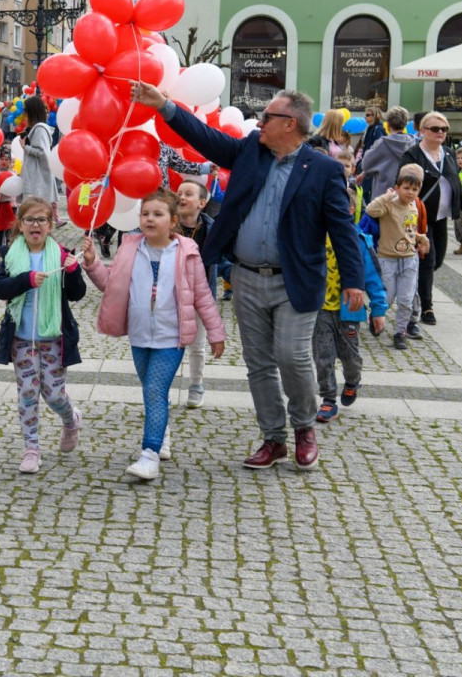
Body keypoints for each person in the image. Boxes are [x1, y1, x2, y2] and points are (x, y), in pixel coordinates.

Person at [130, 81, 364, 471]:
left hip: (296, 280)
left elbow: (341, 227)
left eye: (268, 117)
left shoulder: (322, 170)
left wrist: (354, 280)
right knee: (258, 363)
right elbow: (206, 137)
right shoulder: (251, 152)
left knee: (292, 356)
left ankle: (304, 427)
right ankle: (273, 438)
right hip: (247, 276)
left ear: (289, 124)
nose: (259, 123)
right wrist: (165, 106)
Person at [81, 190, 226, 480]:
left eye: (157, 214)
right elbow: (111, 286)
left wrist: (215, 332)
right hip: (139, 335)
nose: (149, 219)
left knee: (154, 391)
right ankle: (162, 434)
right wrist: (93, 263)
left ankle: (149, 455)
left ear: (173, 221)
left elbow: (202, 295)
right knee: (152, 391)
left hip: (171, 337)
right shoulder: (130, 247)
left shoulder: (187, 252)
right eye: (145, 213)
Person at [0, 195, 87, 475]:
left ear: (50, 225)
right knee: (28, 395)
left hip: (54, 339)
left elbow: (77, 294)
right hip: (21, 339)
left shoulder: (61, 255)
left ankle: (71, 419)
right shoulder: (11, 255)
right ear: (20, 225)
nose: (36, 225)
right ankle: (31, 448)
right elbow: (0, 289)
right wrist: (26, 280)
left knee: (54, 395)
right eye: (30, 219)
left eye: (42, 219)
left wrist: (72, 272)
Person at [314, 188, 388, 423]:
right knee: (322, 357)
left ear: (351, 210)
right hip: (320, 310)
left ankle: (352, 381)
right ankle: (328, 399)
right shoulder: (314, 238)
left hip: (349, 310)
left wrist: (379, 310)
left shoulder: (359, 241)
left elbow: (374, 278)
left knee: (350, 357)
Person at [400, 111, 462, 327]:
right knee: (428, 259)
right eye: (435, 129)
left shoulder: (448, 153)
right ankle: (427, 307)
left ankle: (414, 282)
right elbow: (402, 182)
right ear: (422, 130)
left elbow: (457, 185)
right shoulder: (413, 155)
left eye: (444, 129)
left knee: (437, 260)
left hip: (442, 217)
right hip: (420, 218)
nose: (441, 132)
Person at [365, 164, 429, 350]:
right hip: (387, 258)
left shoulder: (414, 207)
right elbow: (370, 210)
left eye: (414, 189)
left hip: (409, 259)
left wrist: (420, 237)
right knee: (388, 297)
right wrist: (385, 196)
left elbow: (408, 231)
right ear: (398, 187)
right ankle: (376, 317)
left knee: (406, 299)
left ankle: (400, 332)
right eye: (406, 188)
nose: (410, 192)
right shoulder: (388, 204)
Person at [174, 181, 216, 410]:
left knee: (197, 345)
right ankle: (162, 385)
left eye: (188, 194)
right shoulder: (167, 225)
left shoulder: (211, 228)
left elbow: (221, 259)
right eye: (178, 193)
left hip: (199, 295)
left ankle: (196, 384)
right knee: (169, 343)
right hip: (170, 294)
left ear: (202, 202)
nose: (181, 197)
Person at [358, 105, 414, 200]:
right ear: (405, 124)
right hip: (407, 195)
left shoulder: (382, 143)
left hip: (383, 195)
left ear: (388, 124)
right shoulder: (413, 143)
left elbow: (365, 164)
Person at [20, 96, 57, 217]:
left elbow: (43, 154)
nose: (24, 114)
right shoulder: (36, 128)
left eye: (26, 110)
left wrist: (26, 147)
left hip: (37, 181)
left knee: (34, 216)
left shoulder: (40, 129)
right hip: (34, 179)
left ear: (32, 111)